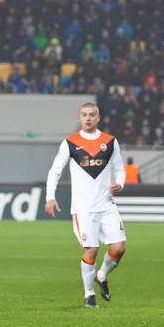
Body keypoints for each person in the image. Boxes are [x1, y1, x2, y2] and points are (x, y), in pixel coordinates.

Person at [44, 102, 127, 308]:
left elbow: (120, 169)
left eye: (92, 115)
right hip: (83, 208)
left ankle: (102, 275)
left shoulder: (110, 142)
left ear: (98, 118)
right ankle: (89, 295)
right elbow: (55, 171)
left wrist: (120, 184)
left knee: (119, 248)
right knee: (91, 251)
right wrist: (50, 197)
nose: (88, 118)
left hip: (107, 204)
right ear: (79, 118)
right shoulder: (70, 143)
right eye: (84, 115)